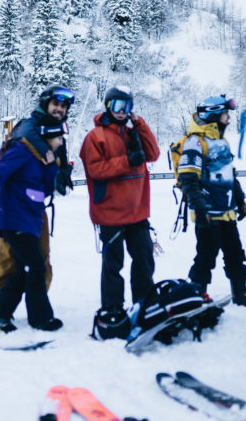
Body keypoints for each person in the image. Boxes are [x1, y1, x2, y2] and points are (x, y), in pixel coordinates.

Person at [79, 86, 160, 338]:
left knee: (144, 258)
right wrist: (127, 162)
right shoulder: (96, 136)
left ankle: (144, 303)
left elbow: (153, 154)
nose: (122, 111)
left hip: (137, 211)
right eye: (117, 105)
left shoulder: (133, 133)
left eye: (127, 106)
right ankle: (112, 308)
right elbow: (96, 169)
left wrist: (140, 124)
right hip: (110, 212)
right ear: (108, 106)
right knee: (113, 264)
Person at [0, 114, 66, 333]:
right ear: (48, 136)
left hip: (29, 221)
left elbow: (45, 191)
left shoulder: (44, 158)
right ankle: (38, 317)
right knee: (35, 267)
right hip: (13, 219)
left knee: (28, 268)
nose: (61, 142)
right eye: (59, 138)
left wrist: (51, 167)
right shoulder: (22, 151)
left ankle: (1, 312)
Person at [176, 95, 246, 308]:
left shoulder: (222, 142)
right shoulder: (195, 142)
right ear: (214, 115)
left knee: (235, 253)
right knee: (206, 255)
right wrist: (199, 206)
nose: (229, 118)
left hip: (226, 210)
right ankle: (198, 292)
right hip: (207, 212)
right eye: (225, 114)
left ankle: (239, 291)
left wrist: (240, 199)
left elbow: (229, 174)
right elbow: (188, 178)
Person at [0, 85, 75, 300]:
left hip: (36, 205)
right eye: (56, 104)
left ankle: (38, 303)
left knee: (41, 257)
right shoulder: (28, 126)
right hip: (12, 205)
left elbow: (59, 160)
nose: (60, 109)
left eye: (64, 106)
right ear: (45, 103)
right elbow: (20, 150)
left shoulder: (57, 131)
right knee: (8, 259)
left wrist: (62, 173)